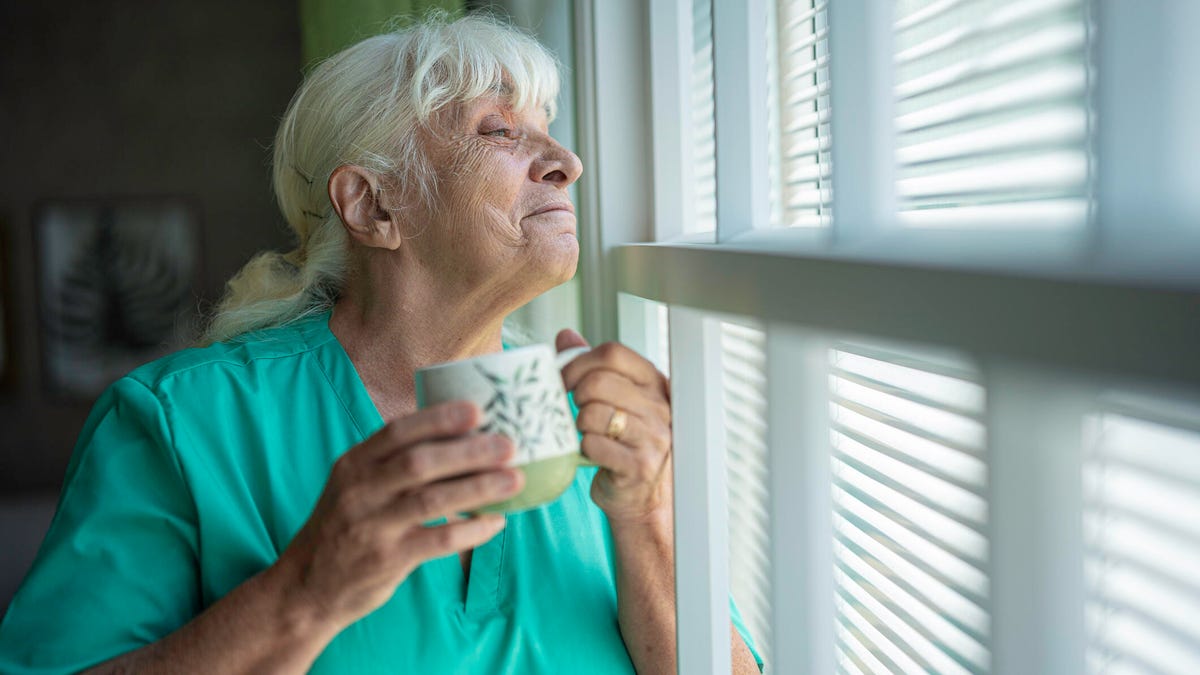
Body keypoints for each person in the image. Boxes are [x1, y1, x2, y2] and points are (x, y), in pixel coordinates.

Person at [0, 14, 762, 674]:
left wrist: (649, 516)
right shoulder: (181, 423)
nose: (568, 162)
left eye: (548, 129)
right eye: (499, 130)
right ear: (372, 205)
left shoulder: (604, 421)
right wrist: (305, 592)